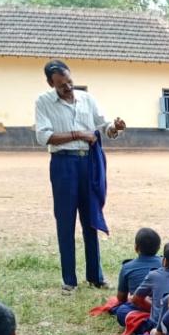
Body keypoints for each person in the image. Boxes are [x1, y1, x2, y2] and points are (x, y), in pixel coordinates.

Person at [34, 59, 126, 291]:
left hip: (88, 163)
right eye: (61, 84)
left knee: (90, 218)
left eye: (70, 82)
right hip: (63, 164)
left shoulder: (87, 99)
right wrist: (80, 134)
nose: (67, 87)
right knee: (65, 221)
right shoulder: (43, 102)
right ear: (50, 83)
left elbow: (104, 126)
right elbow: (44, 136)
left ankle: (95, 276)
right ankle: (69, 280)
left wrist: (115, 128)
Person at [111, 227, 162, 325]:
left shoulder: (127, 267)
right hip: (161, 306)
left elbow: (121, 298)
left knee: (121, 310)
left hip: (140, 306)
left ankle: (145, 326)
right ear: (158, 247)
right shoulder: (164, 263)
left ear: (136, 247)